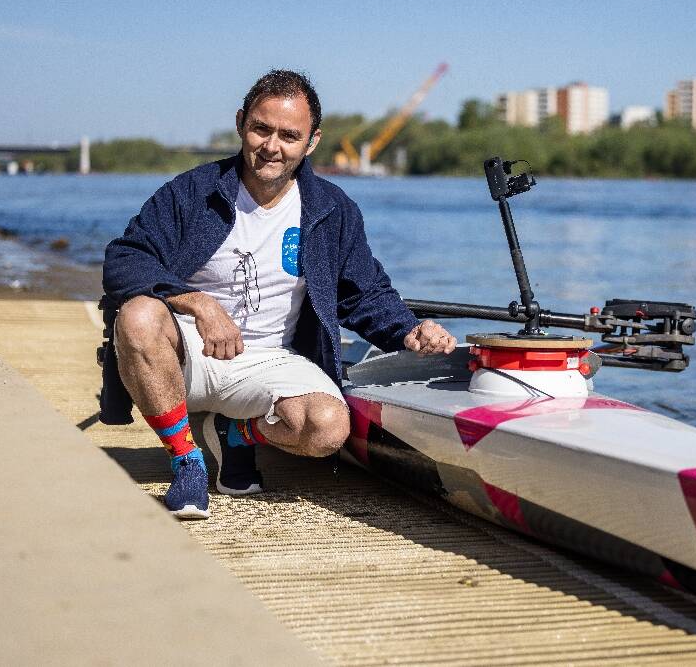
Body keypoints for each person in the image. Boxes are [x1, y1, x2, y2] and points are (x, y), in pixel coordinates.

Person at [99, 69, 456, 519]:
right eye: (261, 128)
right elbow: (125, 259)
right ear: (240, 123)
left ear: (311, 142)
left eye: (289, 135)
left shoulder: (331, 209)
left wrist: (410, 330)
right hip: (184, 355)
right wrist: (198, 303)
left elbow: (364, 294)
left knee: (327, 430)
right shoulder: (191, 192)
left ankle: (238, 435)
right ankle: (186, 461)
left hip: (271, 361)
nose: (271, 146)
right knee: (137, 316)